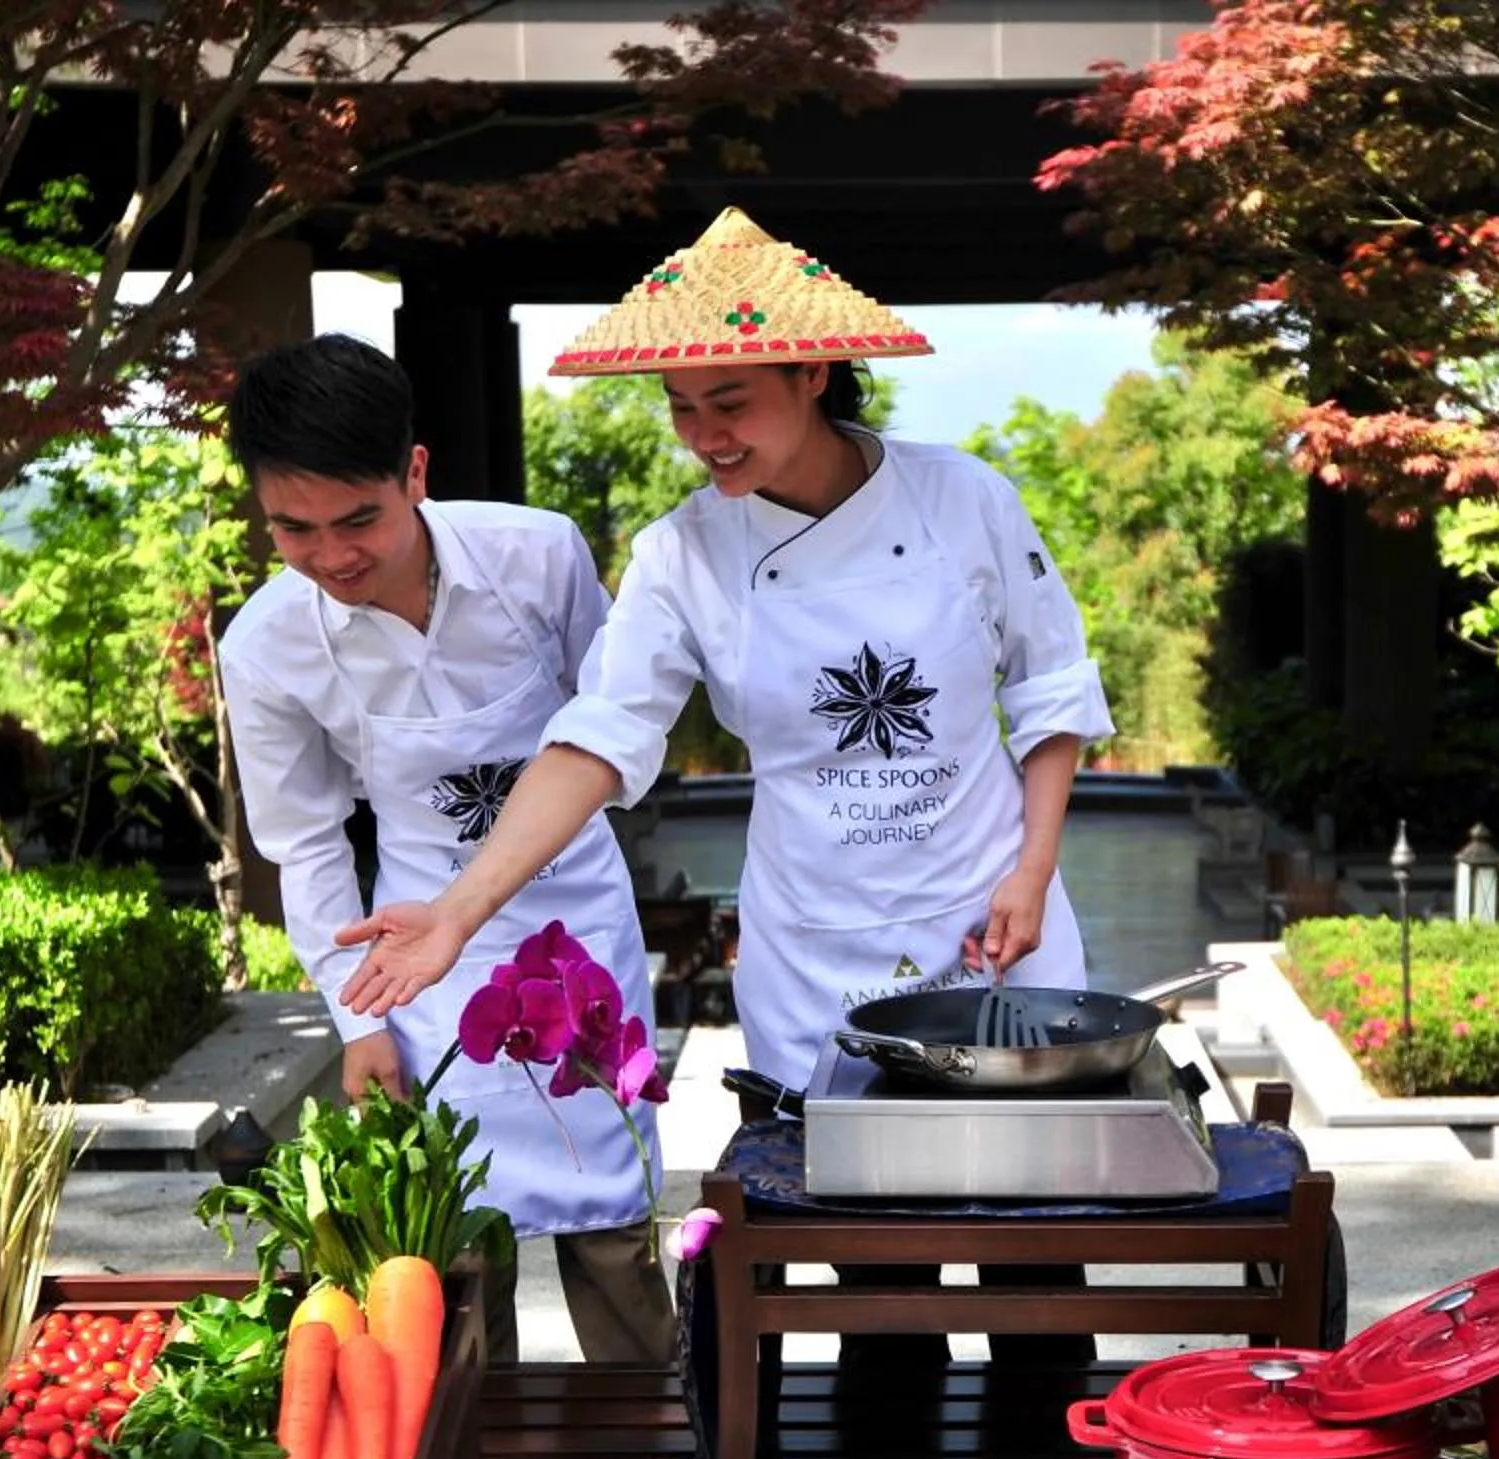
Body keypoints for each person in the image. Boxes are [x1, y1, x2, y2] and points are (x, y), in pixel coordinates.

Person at [331, 208, 1112, 1374]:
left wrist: (1034, 868)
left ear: (811, 371)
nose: (703, 436)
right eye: (680, 407)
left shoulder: (965, 502)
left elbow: (1051, 692)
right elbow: (595, 739)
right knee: (876, 1300)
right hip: (822, 950)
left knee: (1037, 1271)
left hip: (994, 923)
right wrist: (459, 911)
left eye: (730, 401)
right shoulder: (682, 554)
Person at [218, 333, 677, 1367]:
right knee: (452, 1243)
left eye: (359, 521)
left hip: (578, 926)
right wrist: (356, 1015)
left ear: (416, 473)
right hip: (421, 955)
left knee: (613, 1225)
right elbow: (305, 843)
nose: (332, 557)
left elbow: (612, 732)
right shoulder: (267, 645)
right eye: (293, 527)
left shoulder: (539, 555)